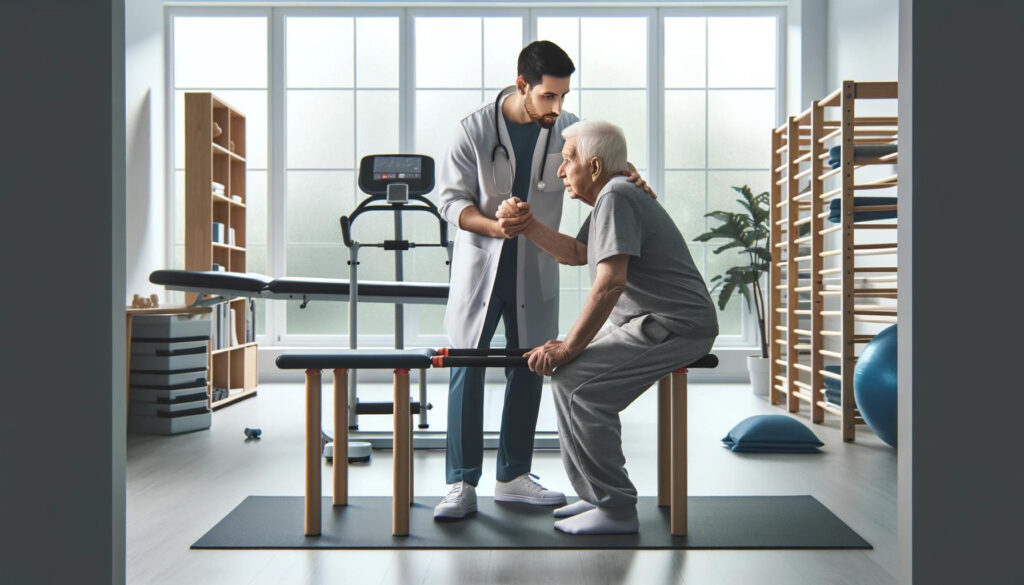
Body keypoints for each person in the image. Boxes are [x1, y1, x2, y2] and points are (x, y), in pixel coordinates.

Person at [435, 41, 654, 521]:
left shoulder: (570, 129)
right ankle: (460, 483)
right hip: (482, 265)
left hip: (535, 264)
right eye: (548, 97)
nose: (558, 108)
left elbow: (603, 171)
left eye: (563, 96)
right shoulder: (473, 130)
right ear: (522, 86)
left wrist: (629, 178)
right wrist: (496, 227)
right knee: (466, 367)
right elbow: (450, 202)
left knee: (530, 363)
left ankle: (513, 476)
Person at [496, 119, 719, 534]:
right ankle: (598, 497)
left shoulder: (616, 195)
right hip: (649, 320)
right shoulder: (611, 196)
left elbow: (610, 282)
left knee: (577, 384)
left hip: (677, 324)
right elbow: (578, 252)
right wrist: (527, 227)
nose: (561, 171)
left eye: (567, 161)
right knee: (570, 378)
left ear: (594, 167)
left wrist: (568, 348)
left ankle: (616, 507)